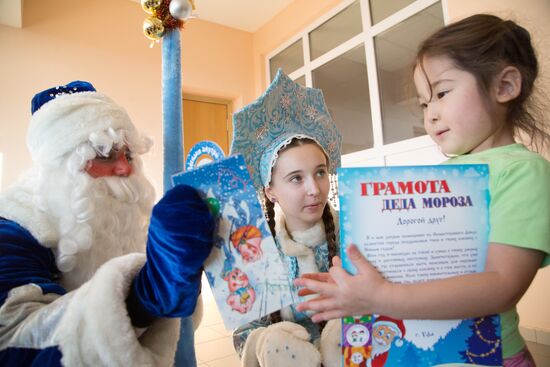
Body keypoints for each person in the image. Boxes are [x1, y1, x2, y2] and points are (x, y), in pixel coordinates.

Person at [294, 14, 550, 367]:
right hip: (419, 353)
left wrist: (382, 297)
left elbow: (502, 285)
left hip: (489, 357)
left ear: (504, 86)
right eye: (425, 103)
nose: (429, 115)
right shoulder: (441, 173)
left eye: (442, 93)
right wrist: (353, 283)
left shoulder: (522, 171)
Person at [0, 81, 214, 366]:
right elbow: (17, 345)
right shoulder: (14, 229)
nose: (125, 168)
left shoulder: (125, 220)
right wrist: (140, 299)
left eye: (129, 154)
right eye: (105, 154)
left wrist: (182, 276)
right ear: (64, 163)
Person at [229, 69, 343, 367]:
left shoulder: (355, 233)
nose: (314, 189)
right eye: (295, 178)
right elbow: (244, 332)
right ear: (271, 192)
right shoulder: (252, 252)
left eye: (320, 172)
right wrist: (267, 343)